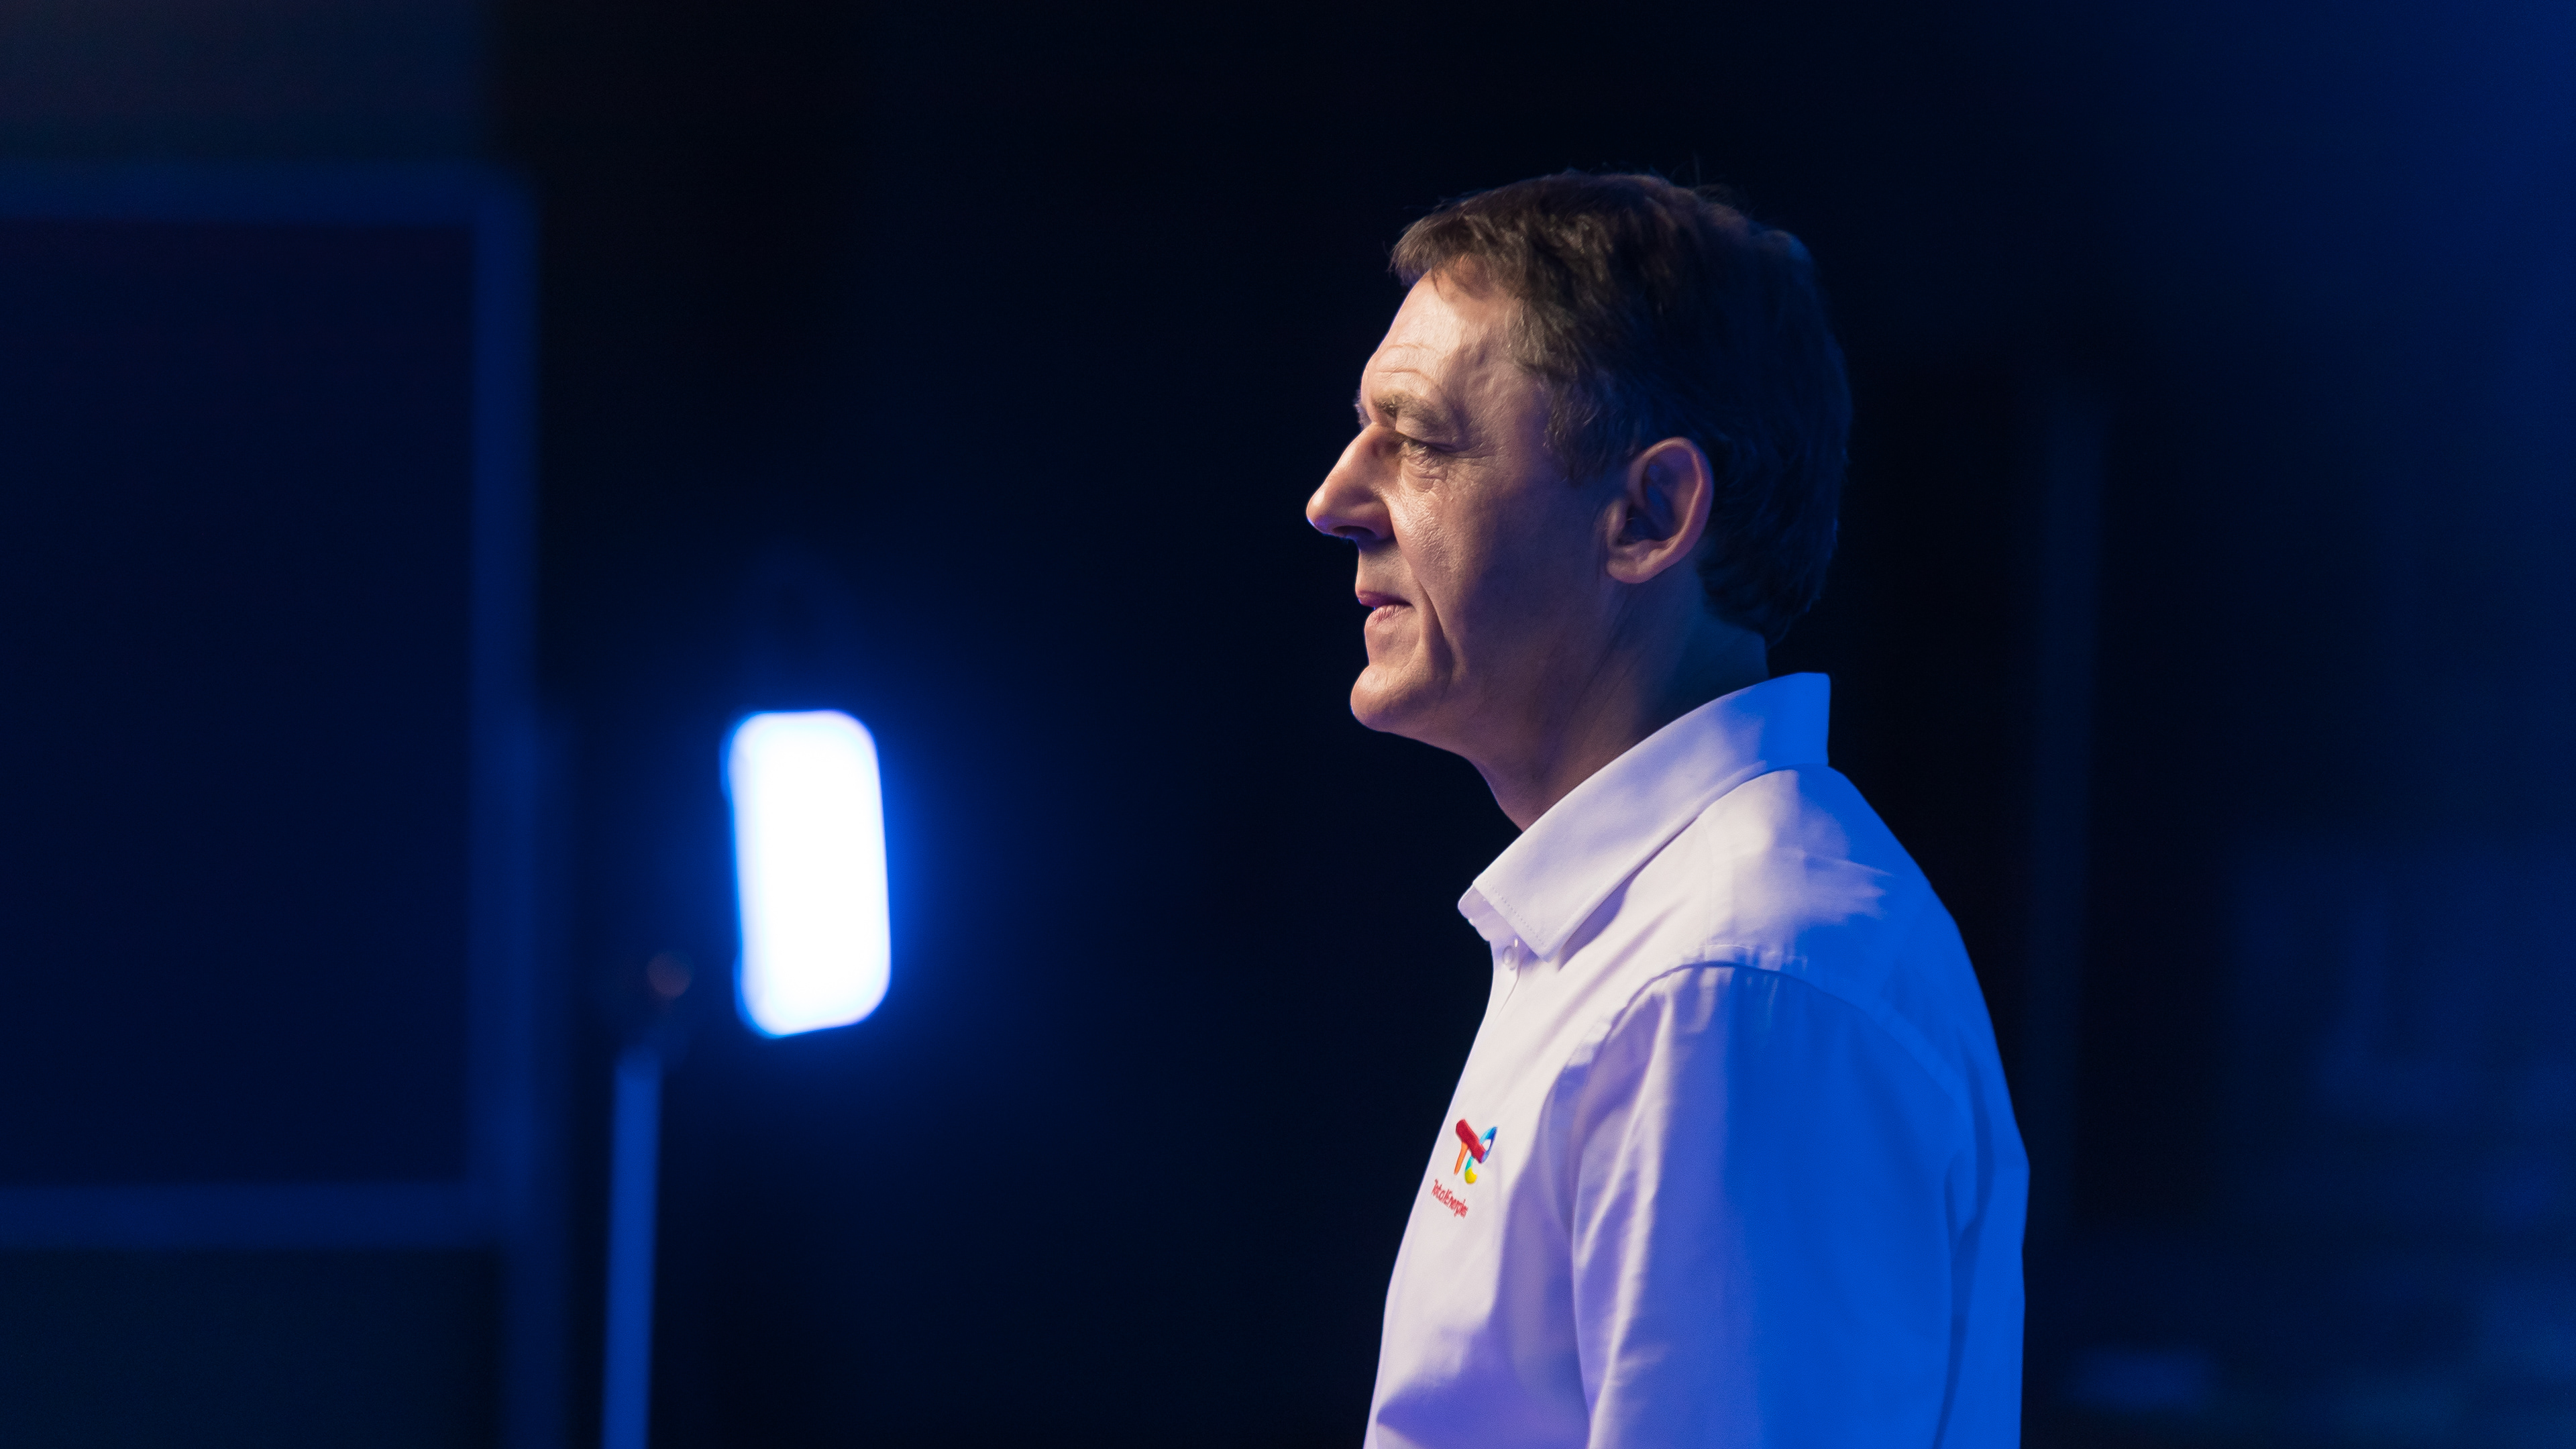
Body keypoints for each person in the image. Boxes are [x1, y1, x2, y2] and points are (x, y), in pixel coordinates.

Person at [1305, 172, 2026, 1448]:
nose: (1335, 500)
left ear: (1648, 515)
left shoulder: (1732, 977)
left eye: (1417, 440)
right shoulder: (1663, 943)